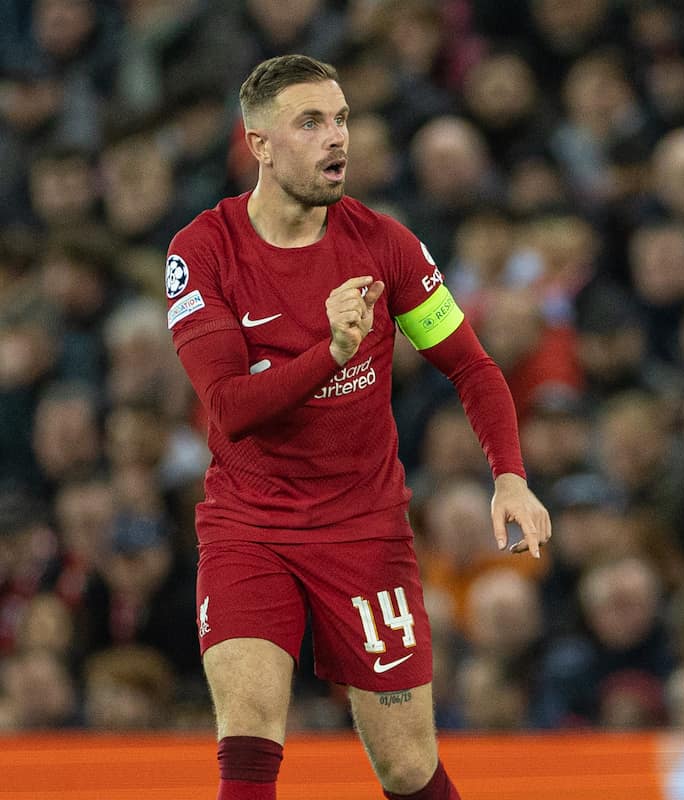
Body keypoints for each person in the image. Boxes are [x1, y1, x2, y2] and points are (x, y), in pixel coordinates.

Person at [164, 55, 551, 800]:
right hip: (252, 525)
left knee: (407, 768)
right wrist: (332, 351)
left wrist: (509, 475)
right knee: (247, 741)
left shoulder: (387, 247)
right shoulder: (202, 251)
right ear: (260, 144)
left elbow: (472, 368)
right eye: (310, 121)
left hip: (363, 530)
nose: (336, 137)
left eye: (341, 119)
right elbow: (230, 410)